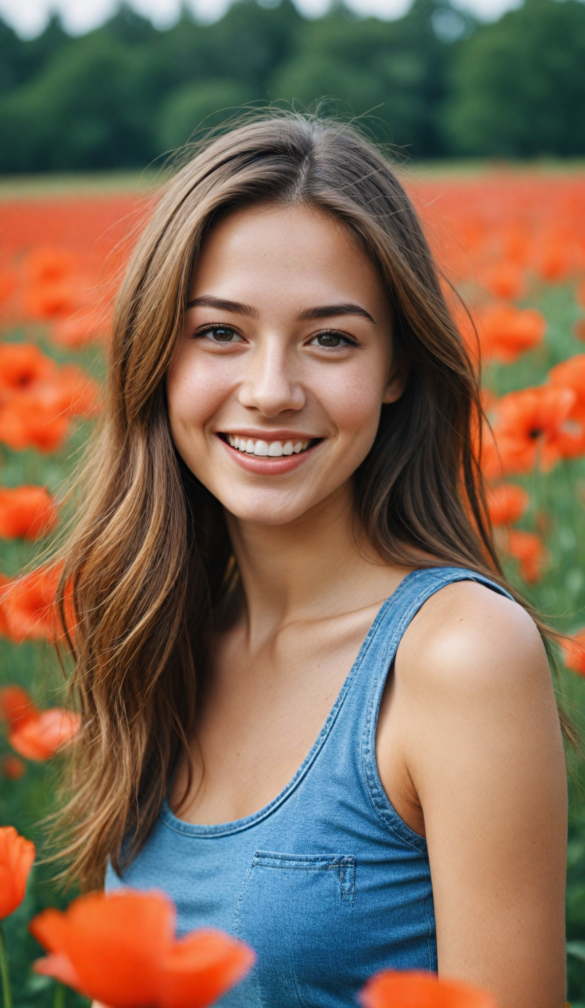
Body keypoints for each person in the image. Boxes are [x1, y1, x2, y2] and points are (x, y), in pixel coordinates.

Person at [57, 115, 567, 1008]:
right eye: (220, 332)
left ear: (395, 368)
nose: (269, 391)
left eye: (330, 339)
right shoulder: (157, 633)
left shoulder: (458, 657)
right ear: (156, 355)